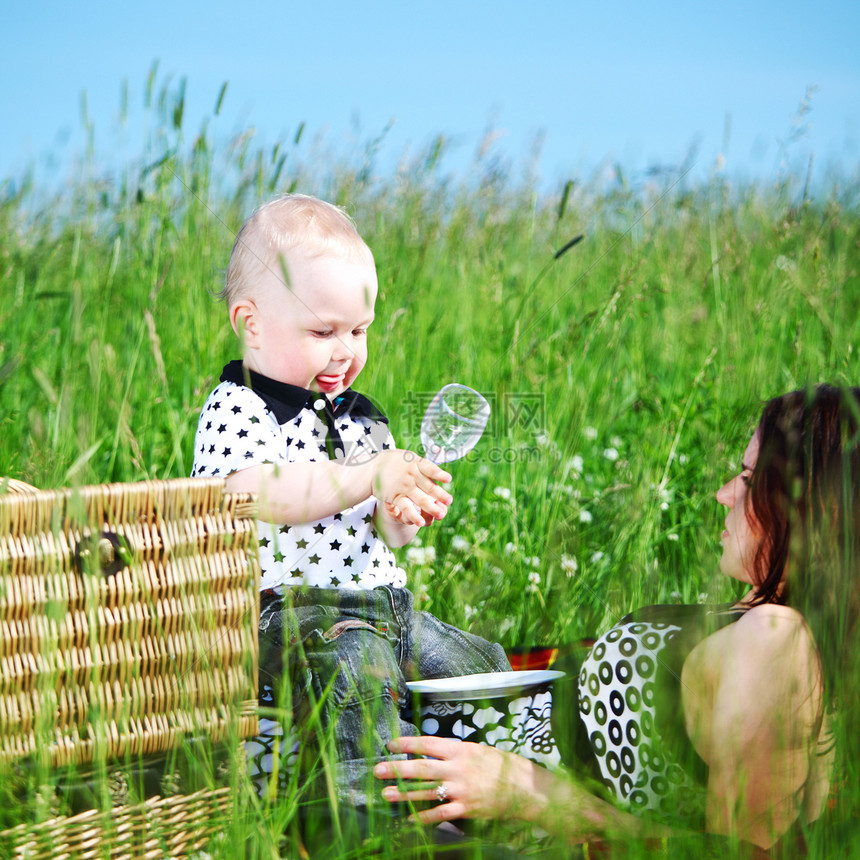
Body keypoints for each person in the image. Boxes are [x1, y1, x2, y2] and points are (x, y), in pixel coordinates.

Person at [375, 384, 860, 855]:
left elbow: (741, 852)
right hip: (460, 731)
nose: (723, 494)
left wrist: (531, 795)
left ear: (820, 512)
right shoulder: (764, 616)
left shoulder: (778, 641)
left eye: (750, 480)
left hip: (466, 803)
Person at [190, 193, 510, 805]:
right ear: (251, 323)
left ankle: (480, 794)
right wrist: (368, 477)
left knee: (478, 666)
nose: (346, 350)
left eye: (359, 330)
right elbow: (250, 493)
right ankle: (368, 820)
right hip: (287, 614)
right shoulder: (242, 405)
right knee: (357, 676)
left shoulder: (364, 421)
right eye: (323, 331)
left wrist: (401, 514)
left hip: (384, 607)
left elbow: (385, 538)